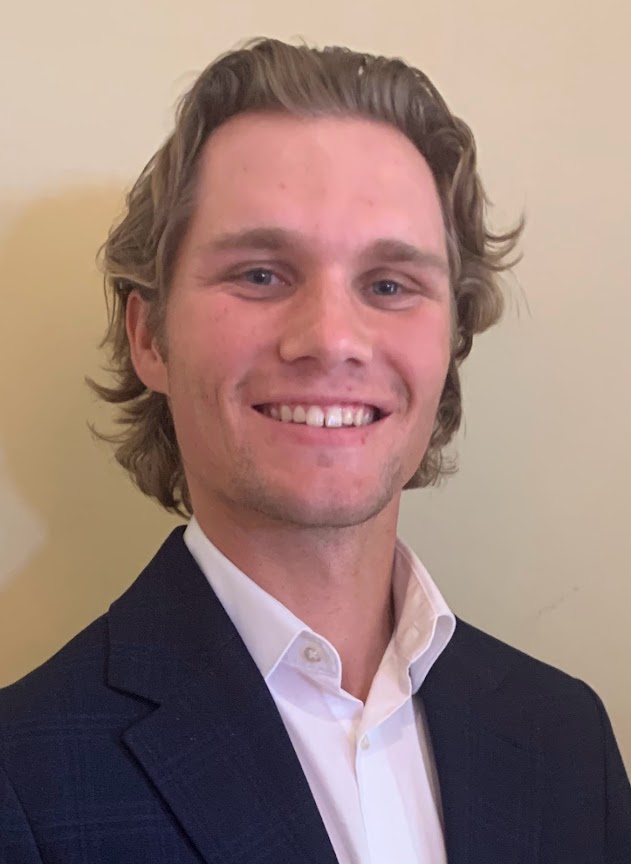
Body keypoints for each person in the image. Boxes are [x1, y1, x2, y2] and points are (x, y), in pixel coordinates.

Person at [1, 37, 629, 864]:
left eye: (389, 285)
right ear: (149, 337)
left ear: (449, 345)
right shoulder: (22, 781)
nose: (331, 338)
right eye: (260, 274)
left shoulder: (567, 739)